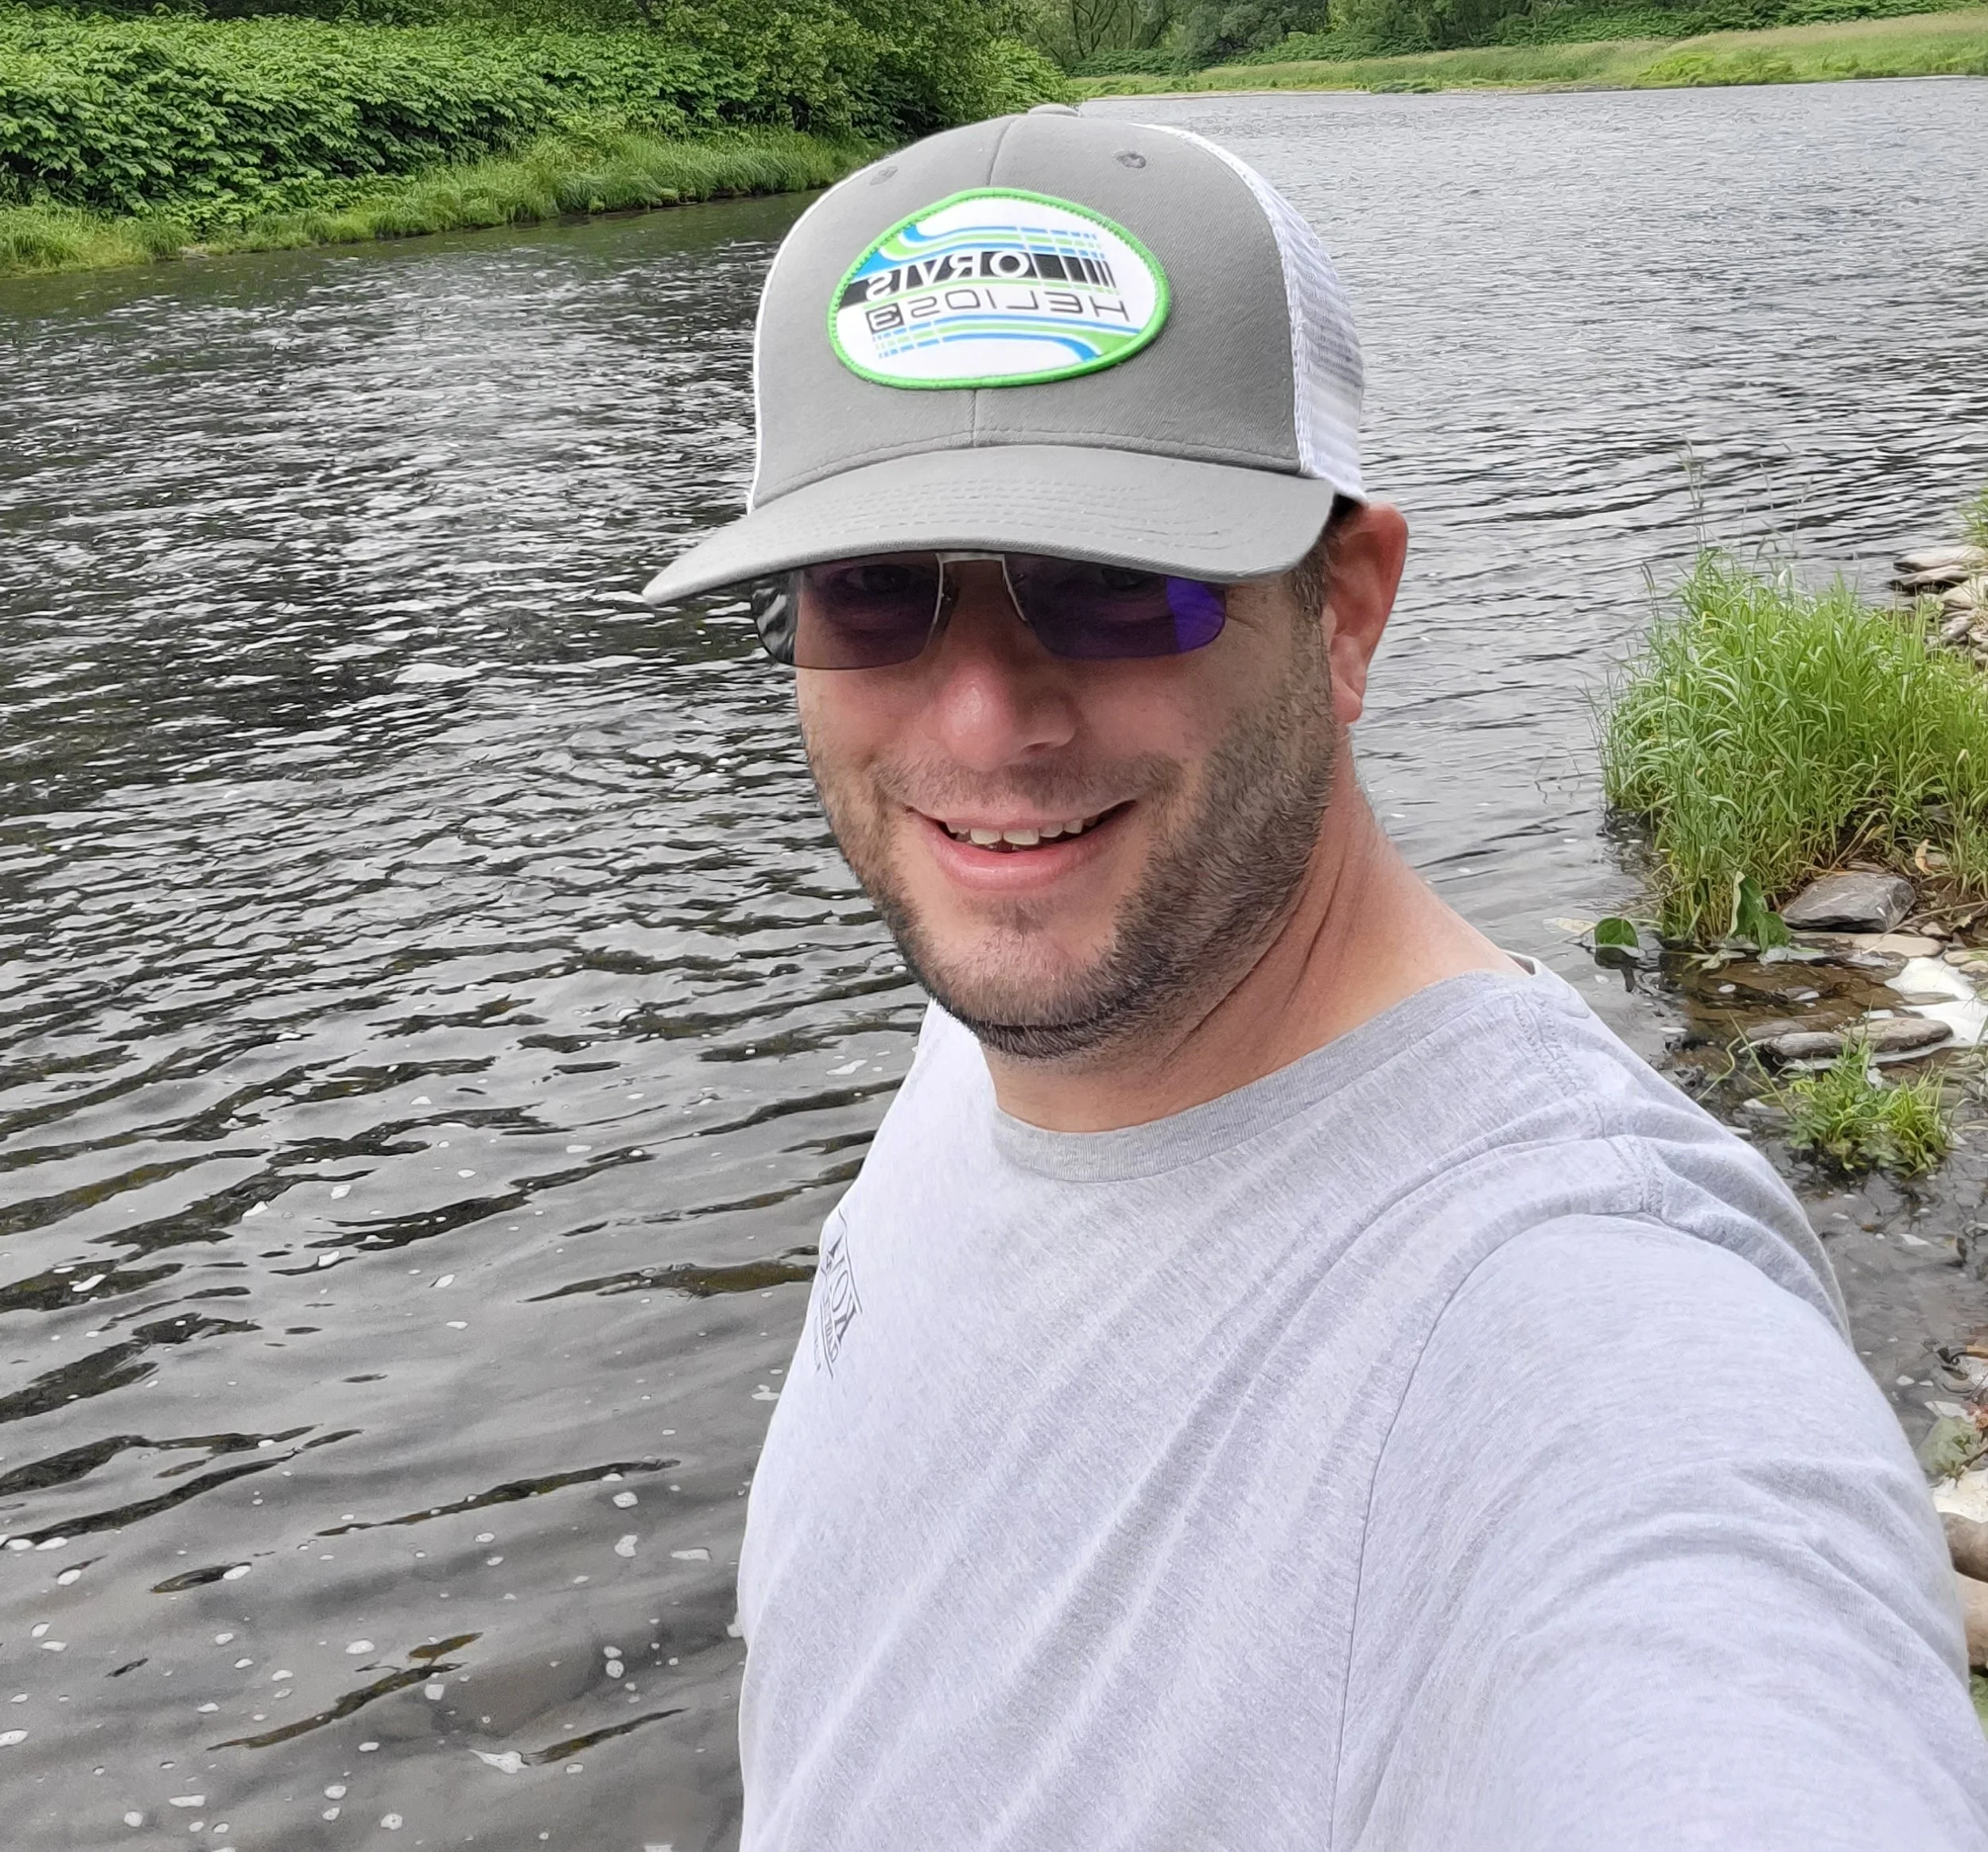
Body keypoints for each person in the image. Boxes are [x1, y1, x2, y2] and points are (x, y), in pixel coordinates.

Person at [646, 103, 1988, 1850]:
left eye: (1110, 587)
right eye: (871, 594)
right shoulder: (1009, 1005)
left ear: (1345, 609)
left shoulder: (1576, 1312)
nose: (981, 721)